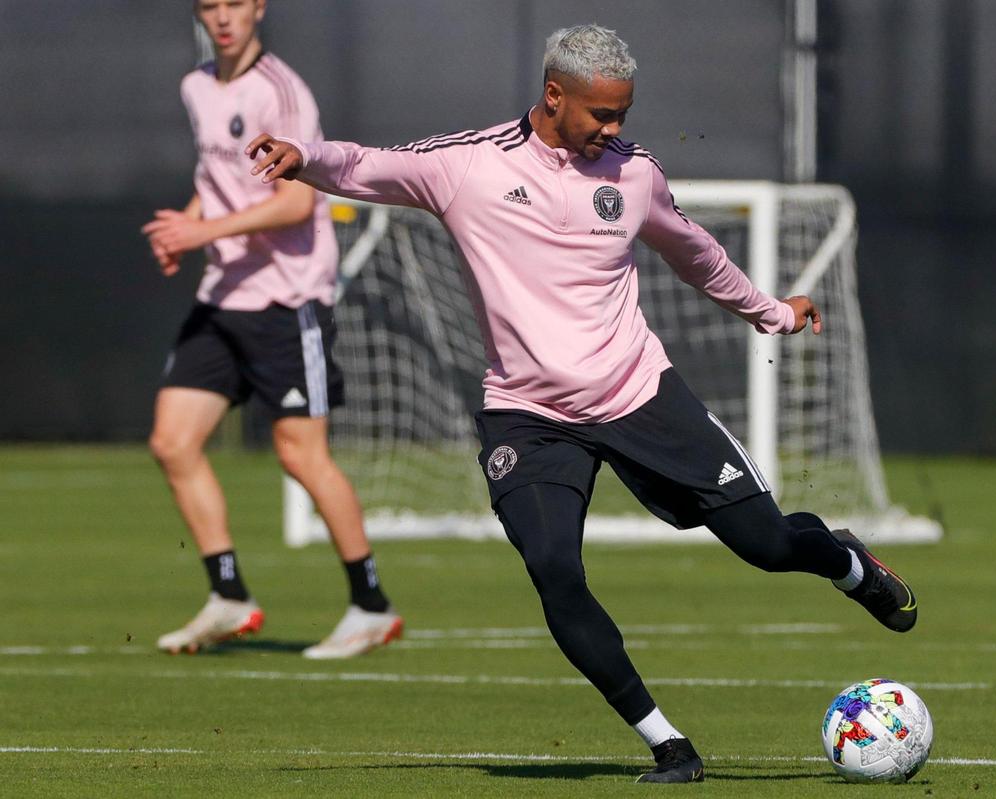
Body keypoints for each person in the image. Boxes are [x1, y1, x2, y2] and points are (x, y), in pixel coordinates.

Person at [246, 23, 917, 782]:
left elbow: (693, 249)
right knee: (555, 569)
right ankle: (668, 742)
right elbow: (370, 165)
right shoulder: (469, 166)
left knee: (767, 545)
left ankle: (849, 563)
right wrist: (307, 159)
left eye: (624, 113)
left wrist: (771, 310)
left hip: (639, 395)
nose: (614, 129)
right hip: (527, 418)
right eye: (601, 114)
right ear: (554, 95)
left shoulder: (634, 175)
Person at [141, 0, 403, 660]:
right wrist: (186, 226)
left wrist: (203, 230)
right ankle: (228, 594)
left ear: (258, 8)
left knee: (300, 454)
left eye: (235, 4)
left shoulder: (282, 93)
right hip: (223, 296)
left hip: (286, 299)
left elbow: (295, 199)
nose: (222, 18)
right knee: (173, 441)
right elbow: (218, 180)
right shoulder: (196, 85)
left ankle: (371, 605)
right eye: (210, 6)